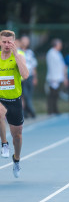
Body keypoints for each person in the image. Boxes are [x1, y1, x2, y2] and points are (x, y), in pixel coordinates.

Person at [0, 30, 29, 178]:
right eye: (4, 42)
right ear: (0, 42)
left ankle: (16, 159)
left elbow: (25, 75)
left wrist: (16, 55)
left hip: (15, 101)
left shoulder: (19, 56)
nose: (6, 45)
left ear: (14, 42)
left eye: (9, 42)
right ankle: (4, 144)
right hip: (1, 99)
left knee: (17, 136)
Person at [46, 39, 67, 115]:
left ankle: (55, 109)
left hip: (58, 77)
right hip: (53, 77)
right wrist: (53, 77)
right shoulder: (51, 53)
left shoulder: (58, 53)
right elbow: (52, 66)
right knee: (52, 94)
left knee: (56, 94)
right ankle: (51, 110)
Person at [20, 35, 38, 118]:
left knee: (29, 95)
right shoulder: (17, 52)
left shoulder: (30, 53)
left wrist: (35, 77)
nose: (25, 42)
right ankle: (29, 110)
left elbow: (34, 66)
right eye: (23, 40)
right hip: (21, 77)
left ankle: (27, 111)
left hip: (30, 76)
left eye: (26, 41)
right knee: (24, 95)